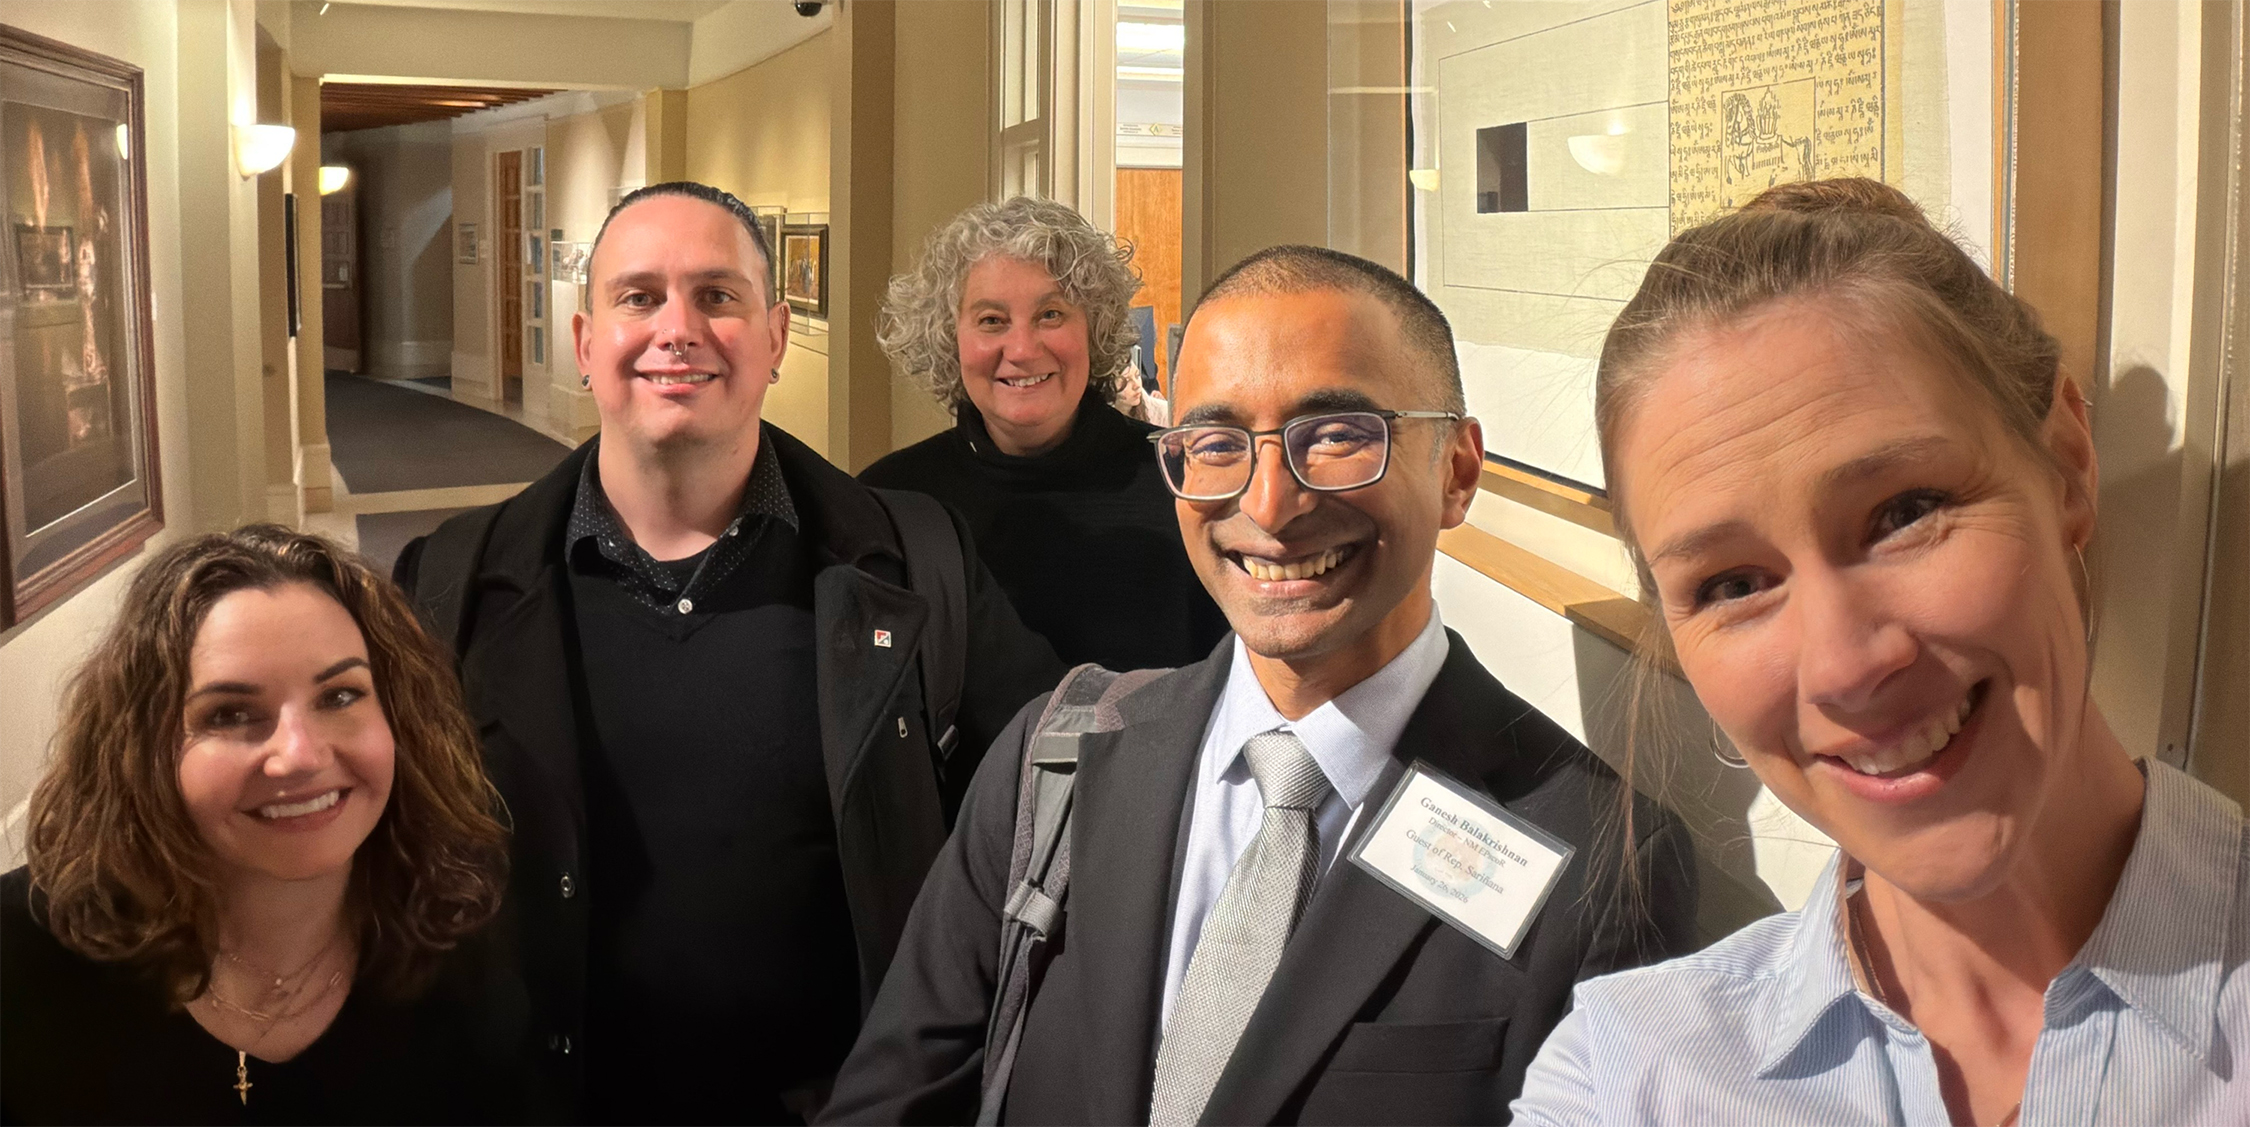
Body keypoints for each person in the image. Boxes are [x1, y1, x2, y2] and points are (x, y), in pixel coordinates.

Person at [822, 246, 1700, 1125]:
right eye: (1215, 443)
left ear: (1456, 472)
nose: (1272, 505)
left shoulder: (1602, 862)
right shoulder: (1051, 765)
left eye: (1339, 435)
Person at [1511, 179, 2249, 1125]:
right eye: (1733, 585)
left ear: (2066, 462)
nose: (1844, 665)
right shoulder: (1628, 1080)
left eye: (1905, 513)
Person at [392, 182, 1063, 1124]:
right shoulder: (449, 582)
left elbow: (1054, 791)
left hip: (843, 1104)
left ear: (777, 337)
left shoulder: (916, 559)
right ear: (586, 344)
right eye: (639, 297)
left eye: (718, 296)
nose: (679, 328)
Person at [1, 525, 518, 1124]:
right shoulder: (22, 961)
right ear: (143, 748)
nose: (300, 755)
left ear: (400, 717)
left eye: (341, 696)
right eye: (230, 713)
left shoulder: (468, 937)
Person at [860, 197, 1227, 671]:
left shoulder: (1182, 483)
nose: (1022, 349)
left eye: (1050, 314)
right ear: (948, 337)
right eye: (991, 320)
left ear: (1094, 327)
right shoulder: (890, 500)